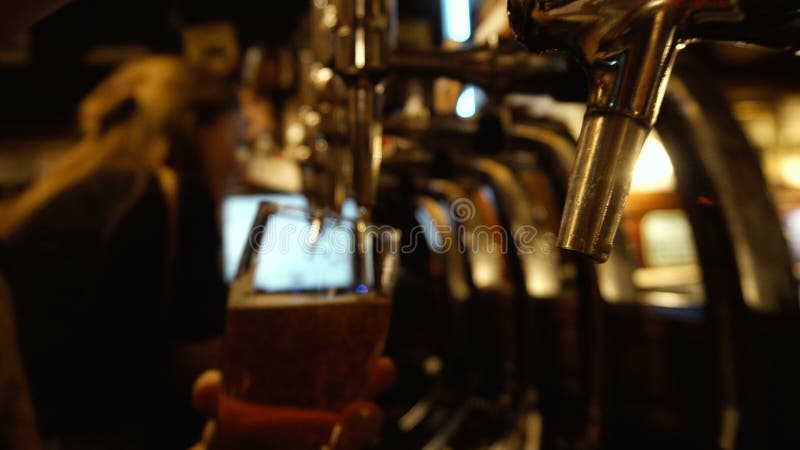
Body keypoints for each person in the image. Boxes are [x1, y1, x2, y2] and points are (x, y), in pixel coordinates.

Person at [0, 56, 236, 449]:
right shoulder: (174, 196)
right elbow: (200, 363)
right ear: (197, 125)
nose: (237, 162)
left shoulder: (46, 196)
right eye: (236, 138)